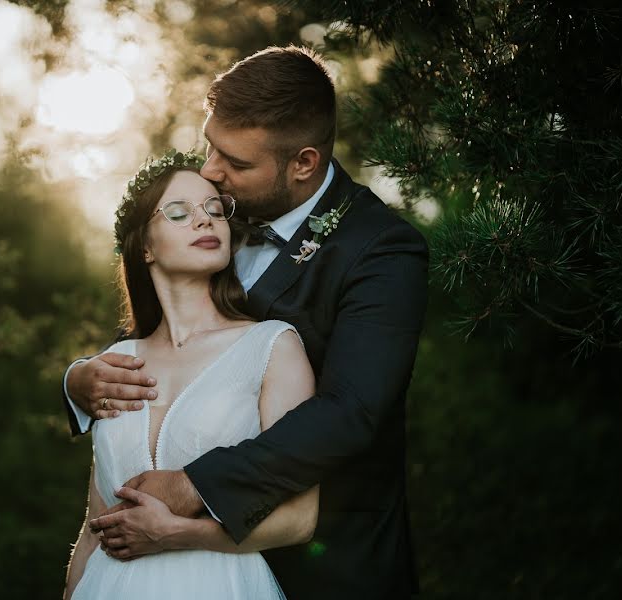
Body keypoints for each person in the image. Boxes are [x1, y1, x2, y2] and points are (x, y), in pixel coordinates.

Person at [65, 46, 428, 599]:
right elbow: (170, 337)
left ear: (303, 163)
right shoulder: (215, 219)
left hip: (323, 566)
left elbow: (350, 412)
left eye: (234, 162)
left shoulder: (380, 251)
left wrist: (196, 486)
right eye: (211, 146)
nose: (211, 171)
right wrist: (78, 380)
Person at [63, 150, 319, 599]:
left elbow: (299, 520)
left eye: (215, 210)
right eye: (180, 213)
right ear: (144, 246)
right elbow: (94, 527)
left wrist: (178, 533)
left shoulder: (273, 347)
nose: (205, 222)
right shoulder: (116, 365)